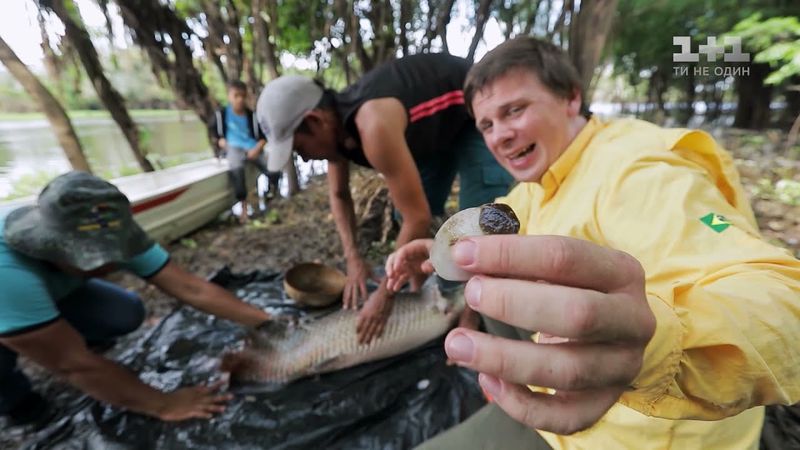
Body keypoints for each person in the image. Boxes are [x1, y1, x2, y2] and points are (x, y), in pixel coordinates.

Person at [385, 37, 800, 450]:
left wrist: (655, 345)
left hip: (644, 432)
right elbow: (510, 210)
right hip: (566, 396)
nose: (500, 137)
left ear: (570, 98)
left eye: (515, 110)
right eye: (486, 125)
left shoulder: (640, 174)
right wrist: (441, 251)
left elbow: (781, 305)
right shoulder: (541, 175)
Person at [256, 54, 514, 344]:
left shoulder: (373, 125)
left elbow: (421, 217)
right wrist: (353, 258)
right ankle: (425, 300)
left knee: (476, 226)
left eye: (299, 147)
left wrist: (384, 295)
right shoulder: (337, 133)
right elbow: (340, 195)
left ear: (314, 121)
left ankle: (474, 312)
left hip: (468, 115)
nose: (302, 156)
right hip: (430, 134)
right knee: (404, 220)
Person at [0, 171, 272, 427]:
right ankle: (14, 398)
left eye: (112, 254)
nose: (107, 266)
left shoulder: (108, 225)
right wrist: (163, 404)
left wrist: (267, 323)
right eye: (92, 258)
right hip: (9, 294)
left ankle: (55, 328)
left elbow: (192, 289)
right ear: (50, 246)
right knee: (24, 368)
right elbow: (73, 365)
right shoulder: (9, 274)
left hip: (37, 291)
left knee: (124, 312)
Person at [209, 80, 281, 223]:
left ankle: (271, 197)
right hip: (232, 148)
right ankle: (243, 208)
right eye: (236, 96)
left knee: (273, 169)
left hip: (252, 147)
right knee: (237, 168)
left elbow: (263, 137)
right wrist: (220, 142)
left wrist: (257, 149)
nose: (240, 99)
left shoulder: (253, 115)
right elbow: (216, 136)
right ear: (229, 96)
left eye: (242, 96)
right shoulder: (221, 115)